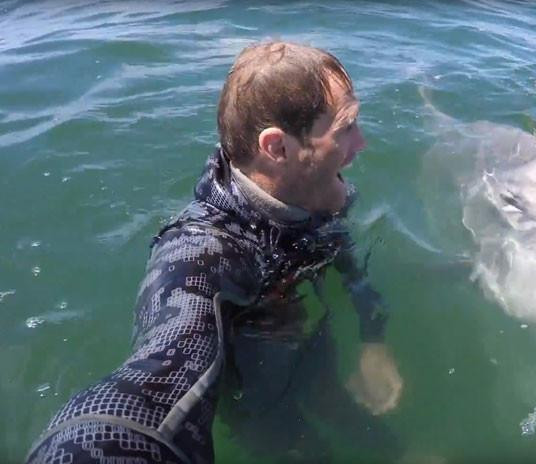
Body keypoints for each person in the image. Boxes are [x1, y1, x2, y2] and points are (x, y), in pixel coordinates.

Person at [26, 41, 403, 464]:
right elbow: (153, 389)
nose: (363, 142)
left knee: (356, 419)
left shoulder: (316, 188)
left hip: (305, 345)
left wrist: (374, 337)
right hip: (259, 399)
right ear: (277, 148)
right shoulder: (200, 252)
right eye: (346, 128)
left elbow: (341, 249)